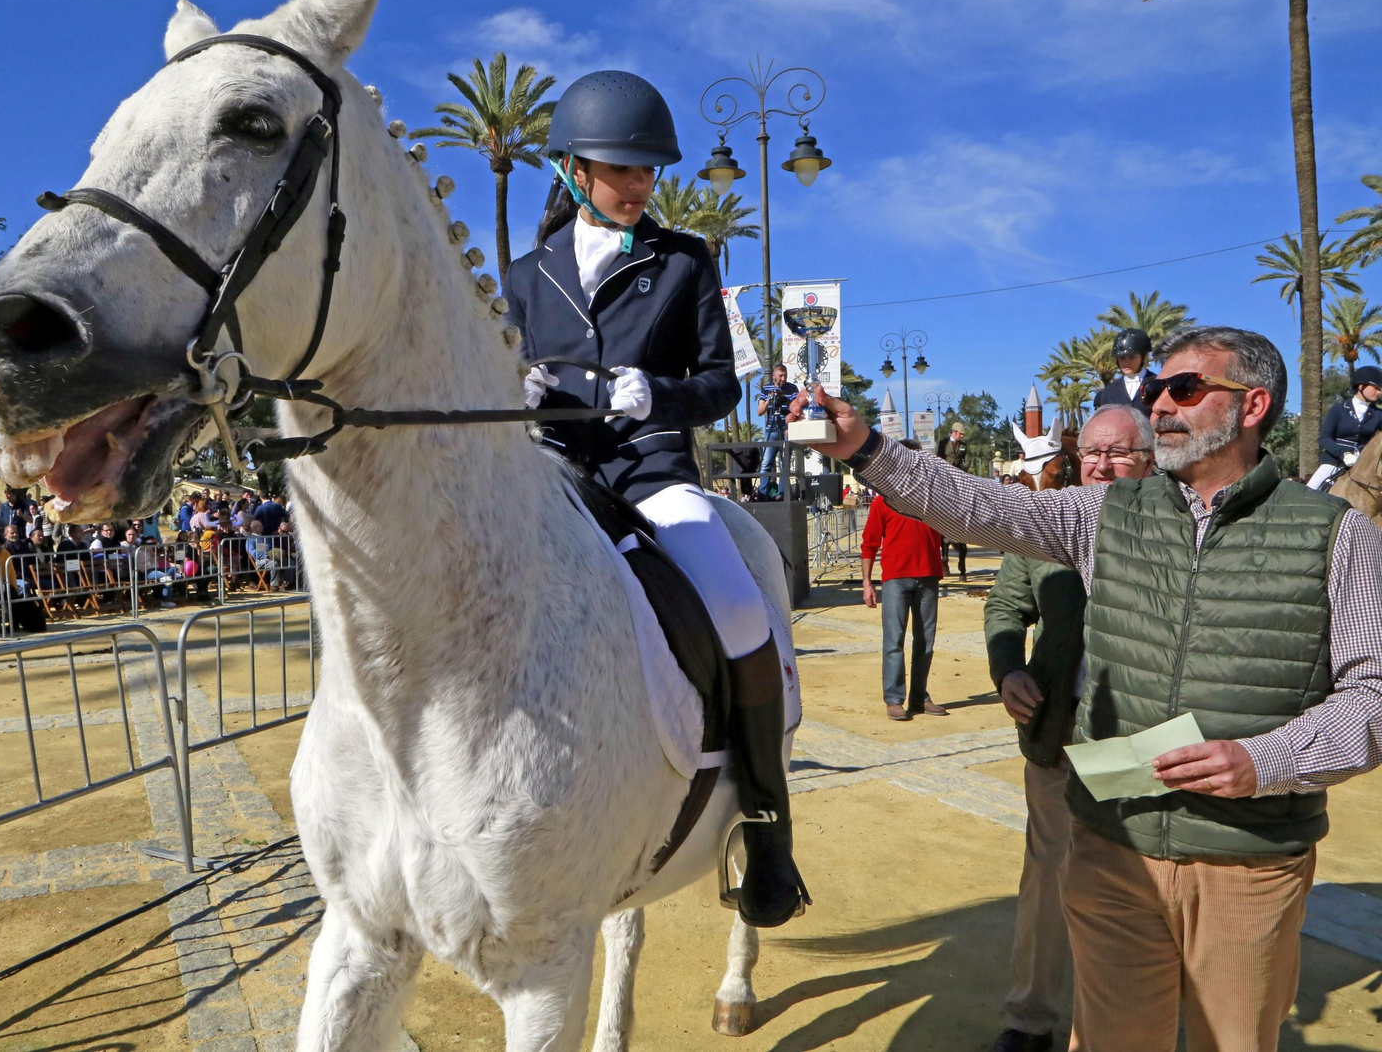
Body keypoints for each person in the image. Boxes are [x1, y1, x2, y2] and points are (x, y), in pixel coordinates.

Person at [795, 326, 1382, 1051]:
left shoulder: (1337, 534)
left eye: (1186, 389)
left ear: (1253, 404)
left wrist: (1268, 760)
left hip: (1248, 862)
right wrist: (869, 450)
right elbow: (984, 507)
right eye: (1159, 388)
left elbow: (1372, 695)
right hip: (1113, 849)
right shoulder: (1108, 514)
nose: (1161, 403)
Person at [503, 69, 807, 928]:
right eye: (621, 169)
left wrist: (654, 395)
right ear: (572, 170)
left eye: (647, 172)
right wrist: (513, 386)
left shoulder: (683, 260)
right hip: (554, 470)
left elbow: (721, 388)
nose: (639, 186)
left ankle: (768, 827)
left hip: (650, 470)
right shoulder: (525, 275)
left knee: (741, 610)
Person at [983, 403, 1155, 1052]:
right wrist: (1008, 669)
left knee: (1125, 882)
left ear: (1148, 461)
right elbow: (1006, 604)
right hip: (1058, 734)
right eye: (1093, 455)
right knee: (1050, 876)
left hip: (1134, 741)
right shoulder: (1045, 525)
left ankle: (1111, 1026)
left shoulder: (1169, 529)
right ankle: (1029, 1019)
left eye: (1119, 454)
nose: (1104, 466)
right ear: (1075, 463)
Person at [861, 440, 946, 721]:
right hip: (895, 580)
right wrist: (867, 583)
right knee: (894, 641)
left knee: (926, 643)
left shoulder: (933, 499)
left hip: (929, 578)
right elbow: (869, 544)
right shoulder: (882, 501)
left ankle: (919, 697)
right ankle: (894, 699)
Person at [1307, 364, 1382, 489]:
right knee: (1310, 490)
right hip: (1334, 462)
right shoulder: (1339, 409)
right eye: (1376, 388)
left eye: (1380, 388)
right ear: (1361, 386)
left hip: (1363, 464)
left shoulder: (1379, 414)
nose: (1379, 392)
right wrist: (1344, 454)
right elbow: (1324, 438)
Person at [754, 363, 799, 500]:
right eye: (781, 376)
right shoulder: (766, 388)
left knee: (784, 464)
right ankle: (762, 494)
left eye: (785, 375)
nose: (783, 378)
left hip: (786, 429)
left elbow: (796, 409)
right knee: (766, 462)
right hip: (771, 429)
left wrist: (786, 400)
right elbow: (760, 412)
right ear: (774, 376)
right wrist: (769, 399)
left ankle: (781, 493)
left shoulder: (792, 388)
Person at [935, 422, 971, 579]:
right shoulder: (943, 443)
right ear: (953, 432)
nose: (962, 436)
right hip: (944, 476)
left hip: (959, 477)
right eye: (960, 433)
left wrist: (962, 472)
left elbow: (967, 460)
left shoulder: (964, 445)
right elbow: (937, 458)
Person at [1092, 328, 1157, 413]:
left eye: (1132, 357)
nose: (1126, 362)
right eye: (1122, 358)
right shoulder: (1109, 391)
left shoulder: (1157, 384)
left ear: (1144, 357)